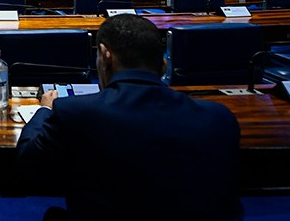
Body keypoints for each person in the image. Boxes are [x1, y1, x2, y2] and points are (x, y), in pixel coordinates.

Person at [17, 14, 242, 221]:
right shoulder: (220, 119)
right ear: (163, 65)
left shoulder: (74, 112)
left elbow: (29, 162)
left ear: (105, 56)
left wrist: (45, 109)